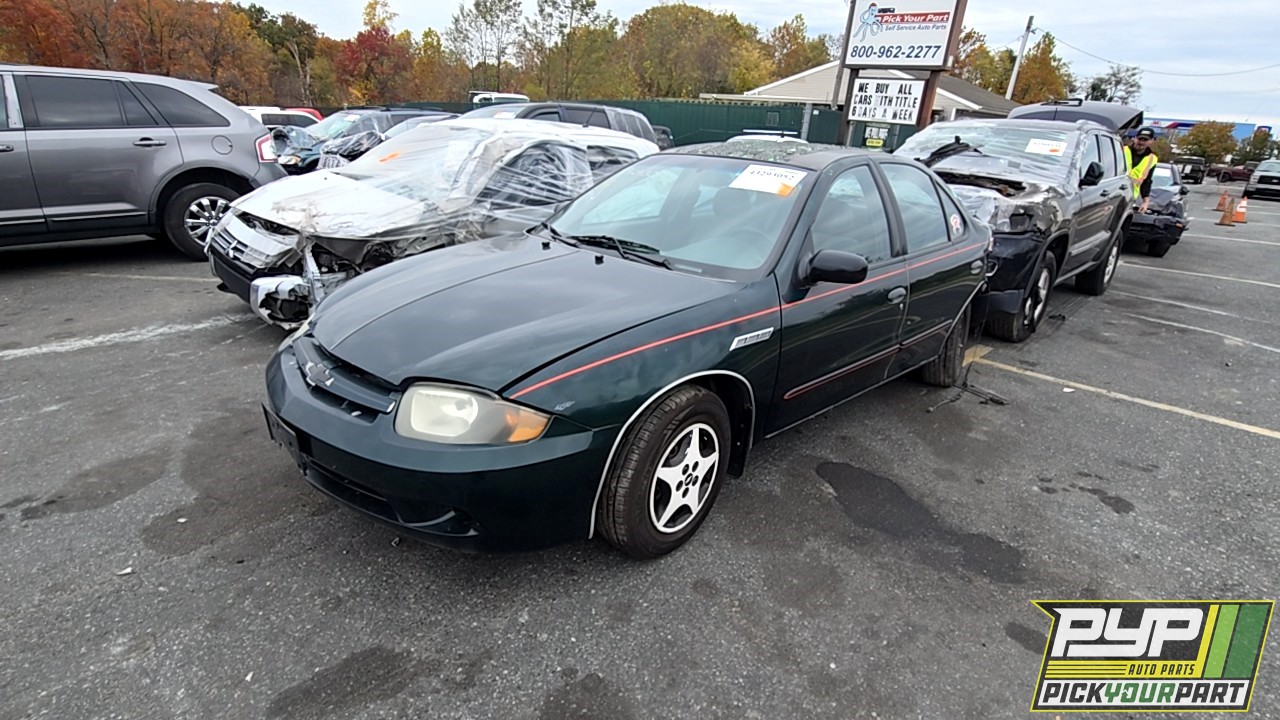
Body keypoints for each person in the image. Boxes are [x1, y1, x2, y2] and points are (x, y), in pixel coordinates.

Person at [1124, 127, 1160, 213]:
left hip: (1130, 198)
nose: (1141, 142)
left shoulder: (1152, 159)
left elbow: (1147, 181)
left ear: (1151, 141)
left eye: (1145, 140)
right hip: (1115, 193)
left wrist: (1145, 202)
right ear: (1135, 138)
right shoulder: (1122, 150)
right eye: (1140, 139)